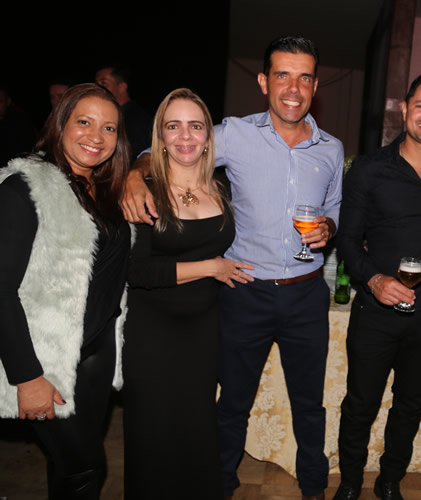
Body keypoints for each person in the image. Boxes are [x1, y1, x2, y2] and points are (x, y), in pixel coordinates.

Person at [122, 36, 342, 500]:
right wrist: (134, 174)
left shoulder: (332, 149)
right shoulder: (233, 134)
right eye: (282, 75)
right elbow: (173, 146)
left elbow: (334, 207)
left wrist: (329, 226)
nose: (293, 88)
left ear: (315, 85)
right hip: (245, 289)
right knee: (233, 402)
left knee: (310, 404)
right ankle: (219, 484)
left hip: (306, 292)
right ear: (264, 81)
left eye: (304, 77)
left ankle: (314, 487)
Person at [334, 72, 421, 500]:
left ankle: (389, 481)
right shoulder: (370, 169)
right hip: (376, 313)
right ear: (404, 108)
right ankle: (350, 482)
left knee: (410, 407)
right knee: (360, 404)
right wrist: (374, 279)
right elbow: (346, 239)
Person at [0, 83, 131, 498]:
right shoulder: (25, 188)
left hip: (96, 354)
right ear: (60, 124)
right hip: (45, 360)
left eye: (109, 128)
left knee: (68, 466)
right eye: (84, 122)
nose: (96, 136)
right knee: (85, 466)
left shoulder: (105, 190)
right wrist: (27, 377)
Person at [122, 88, 254, 499]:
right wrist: (211, 268)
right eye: (173, 126)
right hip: (152, 331)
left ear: (208, 137)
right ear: (160, 137)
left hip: (203, 328)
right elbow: (136, 272)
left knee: (196, 429)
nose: (185, 136)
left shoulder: (221, 187)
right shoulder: (143, 190)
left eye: (195, 126)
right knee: (154, 434)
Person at [96, 64, 152, 159]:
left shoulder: (135, 118)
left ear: (122, 87)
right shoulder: (107, 115)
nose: (98, 88)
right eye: (96, 83)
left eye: (104, 83)